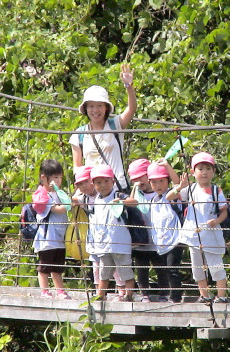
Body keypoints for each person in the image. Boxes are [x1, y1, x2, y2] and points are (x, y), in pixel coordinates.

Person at [167, 152, 228, 303]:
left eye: (208, 168)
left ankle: (221, 295)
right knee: (197, 267)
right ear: (193, 172)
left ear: (213, 171)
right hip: (193, 235)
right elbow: (168, 197)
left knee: (216, 265)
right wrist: (179, 188)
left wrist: (216, 221)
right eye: (200, 169)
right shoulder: (190, 189)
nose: (205, 172)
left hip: (211, 234)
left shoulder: (216, 191)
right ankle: (204, 295)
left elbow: (224, 212)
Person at [69, 64, 137, 192]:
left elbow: (131, 109)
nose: (95, 110)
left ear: (106, 108)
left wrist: (129, 86)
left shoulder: (115, 125)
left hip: (117, 188)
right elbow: (77, 168)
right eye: (91, 106)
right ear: (86, 108)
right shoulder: (78, 135)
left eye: (99, 105)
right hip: (94, 192)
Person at [128, 158, 180, 302]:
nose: (139, 181)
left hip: (159, 239)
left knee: (161, 268)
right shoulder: (138, 194)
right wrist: (134, 188)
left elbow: (177, 186)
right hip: (141, 239)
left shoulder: (162, 193)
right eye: (134, 179)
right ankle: (144, 294)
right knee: (141, 268)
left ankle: (164, 294)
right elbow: (132, 204)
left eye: (141, 177)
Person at [88, 164, 136, 301]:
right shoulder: (96, 200)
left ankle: (129, 295)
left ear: (113, 182)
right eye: (98, 182)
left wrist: (122, 201)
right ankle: (100, 295)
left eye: (106, 181)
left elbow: (134, 202)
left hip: (120, 243)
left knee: (125, 271)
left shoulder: (118, 195)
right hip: (104, 244)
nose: (103, 185)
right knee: (104, 272)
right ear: (93, 184)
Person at [32, 159, 71, 300]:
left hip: (59, 237)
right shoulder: (43, 196)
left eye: (60, 177)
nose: (58, 181)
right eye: (55, 177)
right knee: (45, 266)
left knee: (57, 267)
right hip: (47, 237)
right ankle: (44, 291)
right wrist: (69, 204)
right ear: (44, 178)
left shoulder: (57, 193)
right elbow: (59, 210)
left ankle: (60, 290)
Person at [148, 161, 185, 303]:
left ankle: (176, 297)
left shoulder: (171, 196)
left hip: (175, 239)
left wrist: (167, 166)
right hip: (161, 240)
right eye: (154, 182)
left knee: (172, 269)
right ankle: (169, 294)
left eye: (161, 181)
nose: (158, 185)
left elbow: (179, 186)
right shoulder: (153, 200)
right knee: (165, 269)